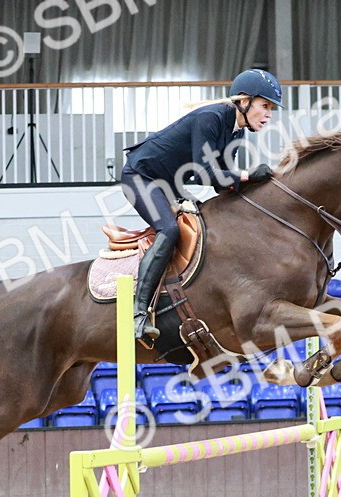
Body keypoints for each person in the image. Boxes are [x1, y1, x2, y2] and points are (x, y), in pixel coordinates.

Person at [119, 68, 282, 341]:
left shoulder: (236, 132)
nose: (268, 115)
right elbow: (204, 173)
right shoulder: (211, 118)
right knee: (169, 230)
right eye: (265, 106)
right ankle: (138, 313)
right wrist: (248, 175)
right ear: (244, 102)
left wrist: (257, 186)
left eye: (271, 109)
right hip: (140, 177)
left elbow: (222, 184)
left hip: (168, 183)